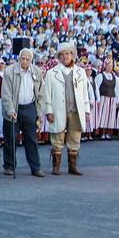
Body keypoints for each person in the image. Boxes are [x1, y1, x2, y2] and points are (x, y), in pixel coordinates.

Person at [41, 42, 91, 176]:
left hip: (75, 110)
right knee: (57, 136)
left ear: (72, 55)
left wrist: (86, 110)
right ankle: (56, 166)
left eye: (67, 53)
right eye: (62, 55)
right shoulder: (52, 73)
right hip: (58, 109)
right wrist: (49, 111)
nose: (65, 57)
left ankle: (72, 166)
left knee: (75, 137)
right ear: (58, 57)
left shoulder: (80, 72)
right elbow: (47, 95)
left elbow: (85, 93)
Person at [0, 48, 44, 177]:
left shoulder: (37, 71)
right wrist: (10, 110)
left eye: (28, 59)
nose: (25, 61)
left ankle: (35, 167)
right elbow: (6, 94)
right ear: (19, 58)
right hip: (14, 108)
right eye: (23, 58)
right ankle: (9, 166)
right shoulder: (9, 71)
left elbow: (41, 93)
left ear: (31, 60)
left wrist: (39, 112)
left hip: (30, 107)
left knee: (31, 139)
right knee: (11, 138)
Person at [93, 58, 117, 140]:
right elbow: (96, 88)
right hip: (103, 98)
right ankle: (102, 132)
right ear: (105, 66)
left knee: (110, 116)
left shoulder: (114, 77)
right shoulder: (100, 76)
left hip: (111, 98)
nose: (110, 67)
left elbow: (116, 89)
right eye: (108, 65)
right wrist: (98, 99)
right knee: (103, 115)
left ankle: (107, 132)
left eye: (111, 66)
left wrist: (117, 100)